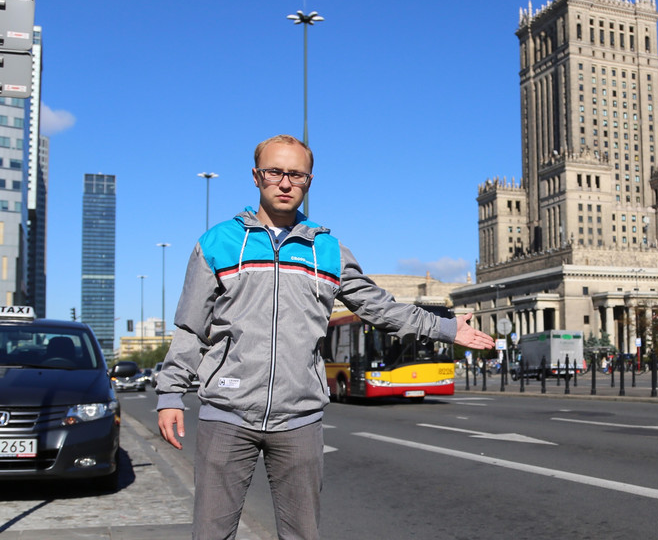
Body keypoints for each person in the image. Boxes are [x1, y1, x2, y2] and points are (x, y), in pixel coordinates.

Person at [155, 134, 494, 540]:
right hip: (226, 415)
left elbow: (379, 307)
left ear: (309, 181)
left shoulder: (328, 251)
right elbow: (191, 326)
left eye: (295, 174)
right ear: (256, 176)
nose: (284, 182)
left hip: (300, 420)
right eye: (274, 172)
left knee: (303, 535)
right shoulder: (217, 244)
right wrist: (170, 394)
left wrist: (446, 327)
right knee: (211, 535)